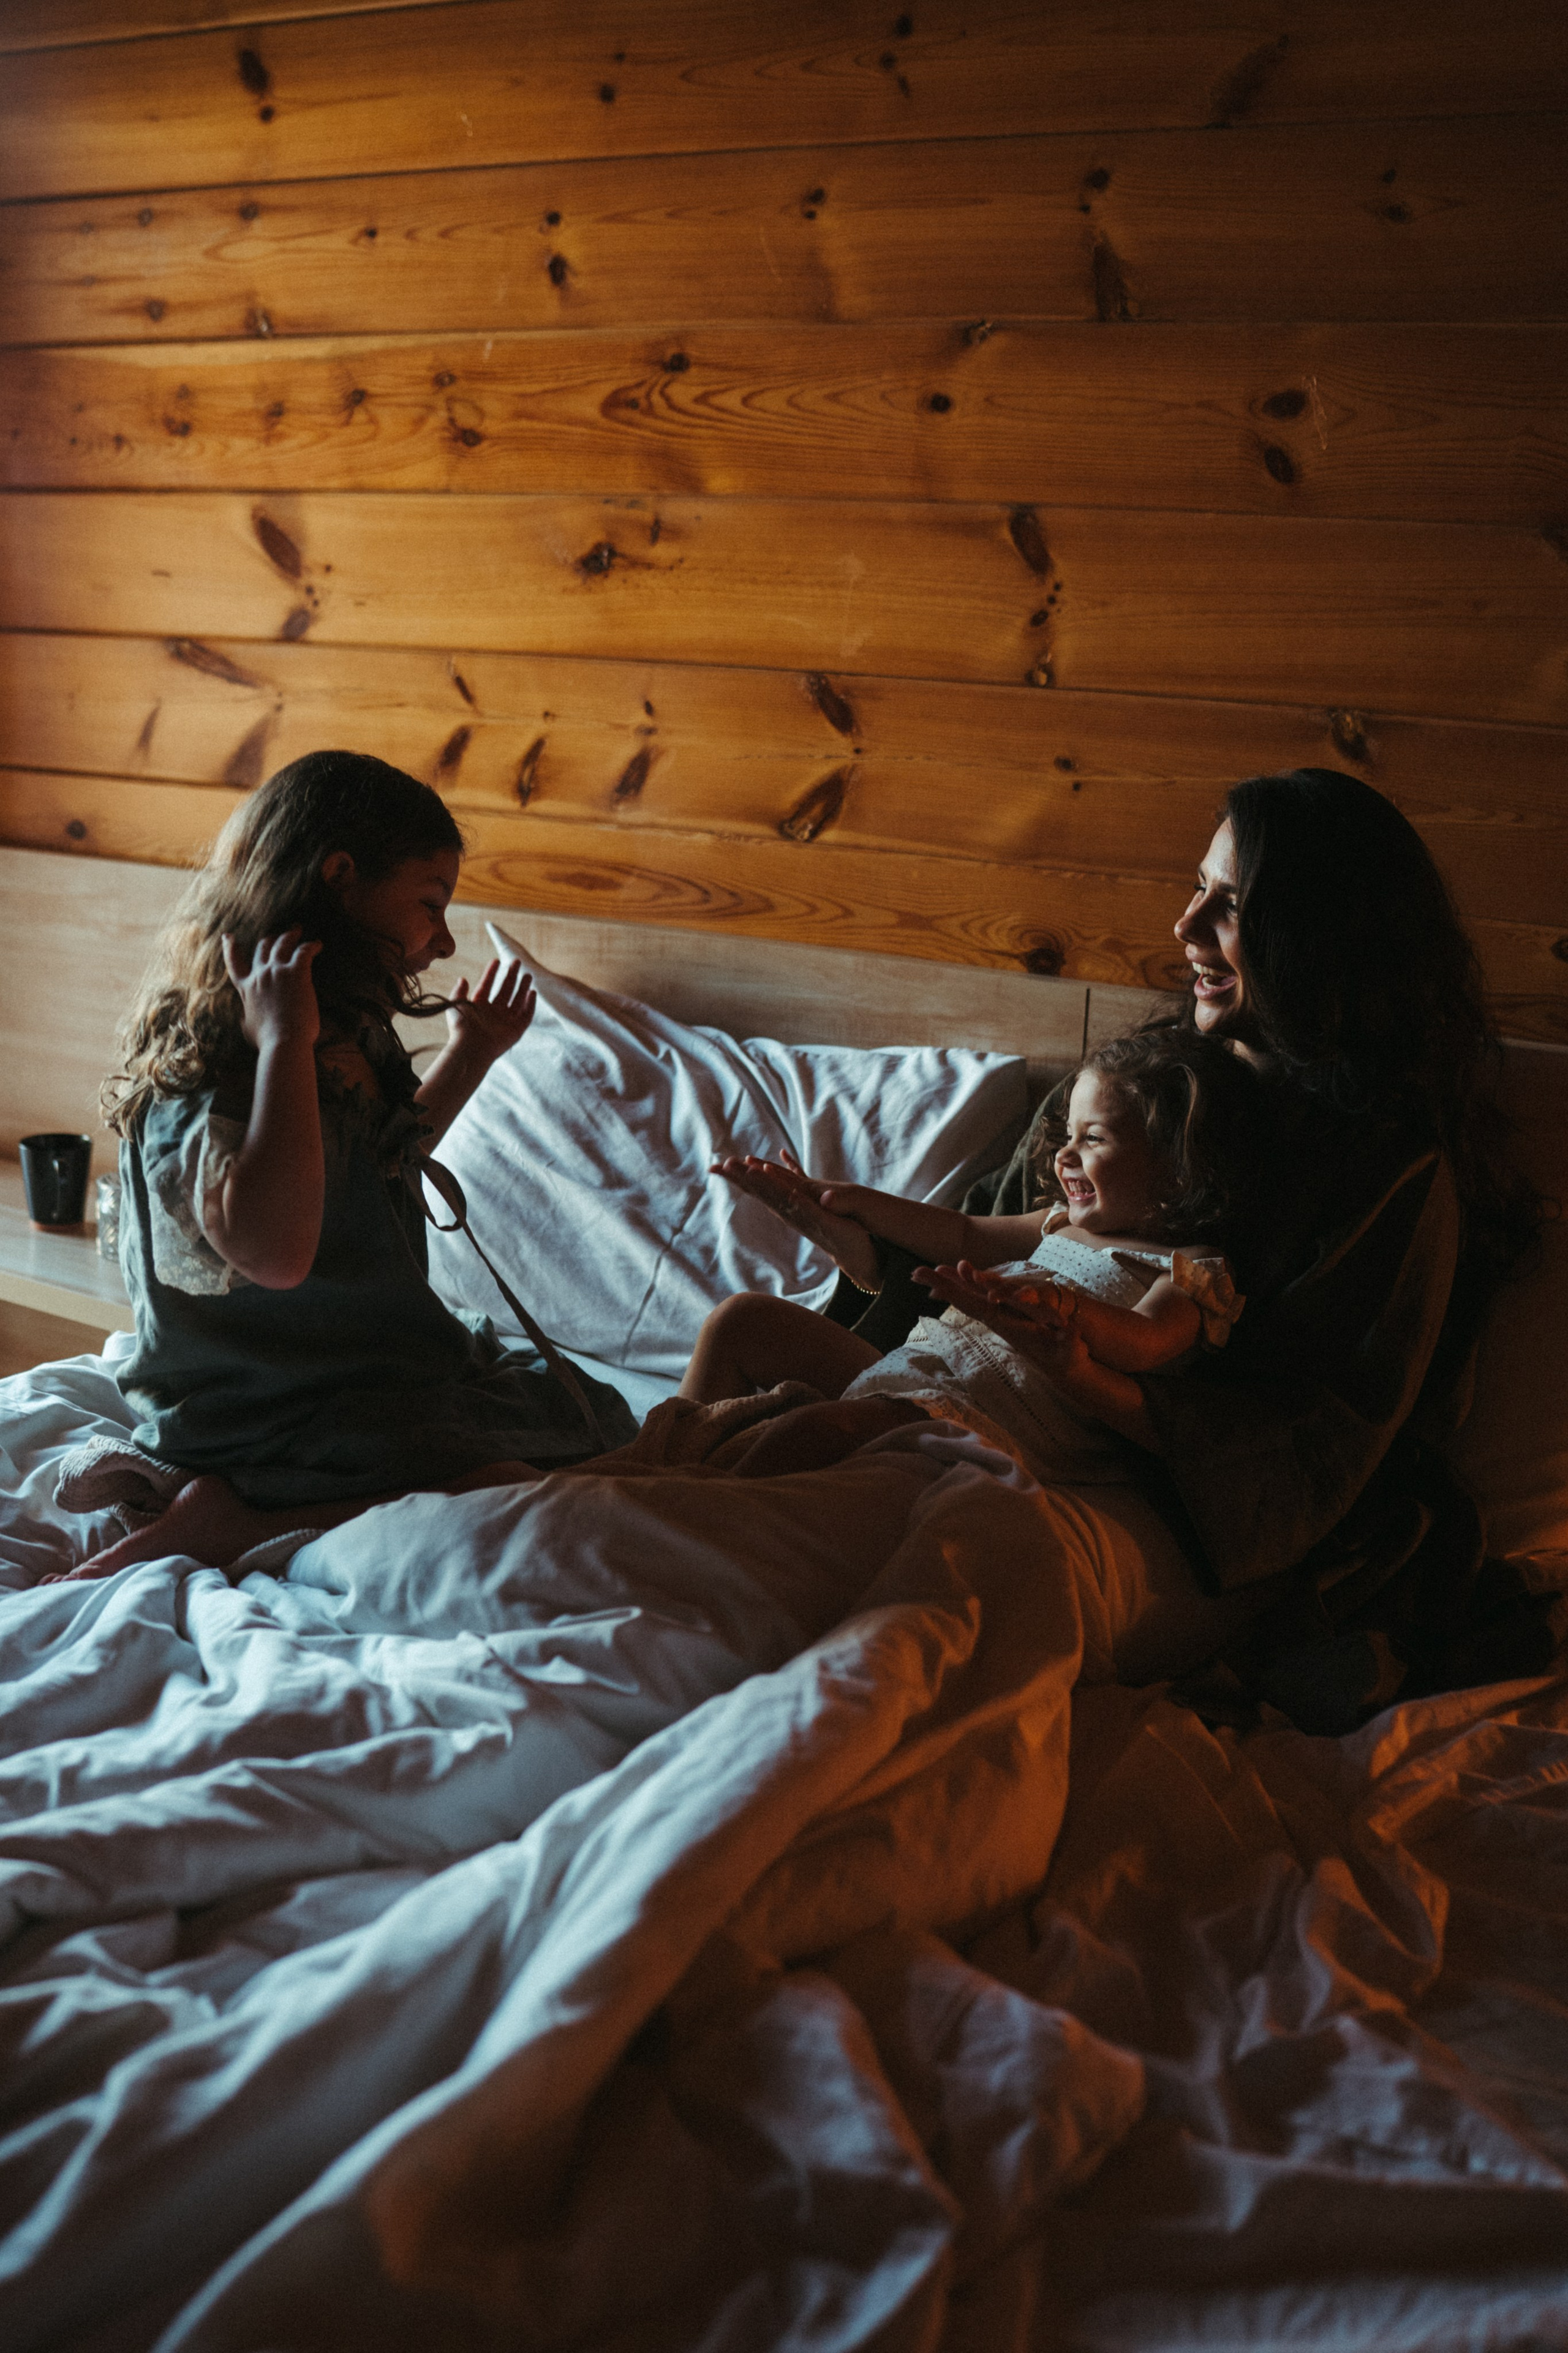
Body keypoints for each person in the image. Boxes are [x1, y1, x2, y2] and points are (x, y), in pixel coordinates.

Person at [718, 769, 1547, 1730]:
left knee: (944, 1550)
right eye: (1198, 888)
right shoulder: (1146, 1085)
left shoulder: (1389, 1178)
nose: (1187, 927)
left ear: (1318, 940)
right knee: (770, 1402)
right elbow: (995, 1249)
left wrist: (1086, 1371)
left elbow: (1311, 1447)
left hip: (1188, 1517)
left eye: (1230, 906)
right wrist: (868, 1256)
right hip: (991, 1405)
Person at [55, 750, 635, 1583]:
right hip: (264, 1410)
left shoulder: (344, 1032)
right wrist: (285, 1040)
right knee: (503, 1486)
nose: (441, 942)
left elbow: (380, 1163)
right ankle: (226, 1525)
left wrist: (473, 1050)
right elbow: (277, 1250)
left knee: (593, 1411)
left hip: (362, 1368)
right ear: (339, 876)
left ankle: (259, 1504)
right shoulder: (213, 1072)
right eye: (430, 905)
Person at [684, 1028, 1259, 1493]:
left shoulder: (1191, 1268)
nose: (1065, 1155)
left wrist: (1062, 1309)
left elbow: (1148, 1339)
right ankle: (660, 1462)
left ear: (1178, 1169)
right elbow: (959, 1232)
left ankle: (698, 1506)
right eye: (1069, 1136)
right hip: (924, 1372)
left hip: (987, 1421)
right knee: (740, 1320)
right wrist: (849, 1200)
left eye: (1095, 1139)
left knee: (819, 1427)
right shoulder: (1056, 1224)